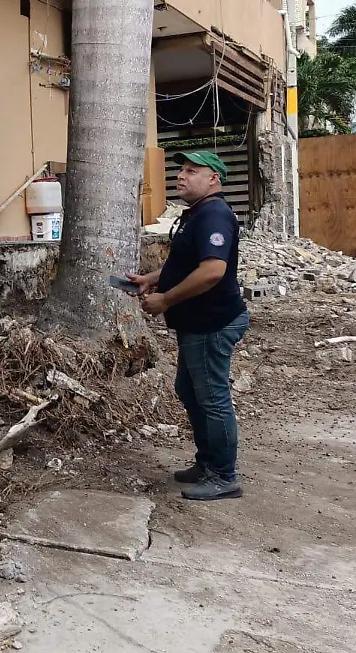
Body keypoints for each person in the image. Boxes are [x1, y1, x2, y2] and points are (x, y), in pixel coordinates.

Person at [129, 151, 249, 501]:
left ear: (214, 179)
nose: (181, 176)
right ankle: (208, 462)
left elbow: (212, 271)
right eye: (180, 170)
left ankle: (223, 476)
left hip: (211, 323)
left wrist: (165, 300)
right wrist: (152, 279)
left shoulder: (214, 215)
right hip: (198, 323)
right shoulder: (197, 214)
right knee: (190, 390)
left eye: (192, 171)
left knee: (211, 397)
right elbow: (186, 264)